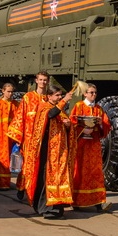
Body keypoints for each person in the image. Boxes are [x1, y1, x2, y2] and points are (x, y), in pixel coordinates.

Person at [13, 85, 75, 219]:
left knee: (58, 178)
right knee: (46, 178)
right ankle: (46, 207)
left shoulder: (60, 110)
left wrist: (68, 125)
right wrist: (64, 100)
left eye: (60, 95)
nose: (59, 98)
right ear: (49, 96)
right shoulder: (43, 107)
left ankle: (57, 207)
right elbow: (51, 115)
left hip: (59, 152)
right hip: (46, 151)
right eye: (57, 95)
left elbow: (63, 124)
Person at [7, 71, 51, 201]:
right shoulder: (28, 97)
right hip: (29, 138)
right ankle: (22, 187)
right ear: (36, 81)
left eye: (45, 80)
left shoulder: (48, 98)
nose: (43, 82)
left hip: (43, 138)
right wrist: (18, 138)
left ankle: (37, 190)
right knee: (27, 165)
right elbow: (20, 117)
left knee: (41, 165)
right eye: (41, 80)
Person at [70, 83, 112, 212]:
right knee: (80, 172)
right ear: (85, 94)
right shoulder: (78, 106)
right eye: (91, 92)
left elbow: (106, 126)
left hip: (93, 145)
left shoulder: (99, 109)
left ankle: (99, 201)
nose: (93, 95)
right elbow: (72, 123)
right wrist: (83, 129)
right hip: (81, 144)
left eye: (95, 92)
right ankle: (77, 201)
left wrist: (100, 125)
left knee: (95, 172)